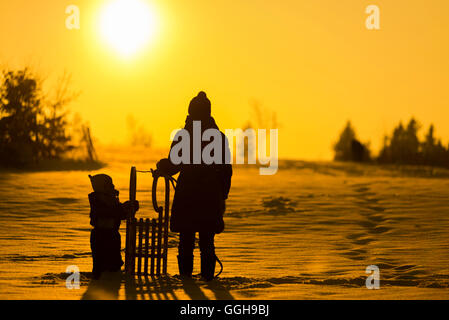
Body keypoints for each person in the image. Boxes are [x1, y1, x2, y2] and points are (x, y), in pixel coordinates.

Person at [156, 91, 232, 281]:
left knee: (186, 240)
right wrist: (222, 195)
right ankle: (208, 278)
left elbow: (174, 165)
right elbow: (226, 170)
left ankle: (186, 278)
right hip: (210, 197)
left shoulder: (184, 136)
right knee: (207, 240)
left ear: (190, 113)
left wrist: (162, 166)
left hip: (187, 196)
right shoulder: (219, 138)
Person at [88, 174, 139, 279]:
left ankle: (112, 279)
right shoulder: (96, 199)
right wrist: (123, 209)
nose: (112, 186)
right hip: (100, 236)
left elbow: (118, 214)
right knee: (100, 264)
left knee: (114, 263)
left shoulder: (111, 198)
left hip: (112, 235)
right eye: (108, 184)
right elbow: (108, 213)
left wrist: (128, 209)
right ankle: (100, 282)